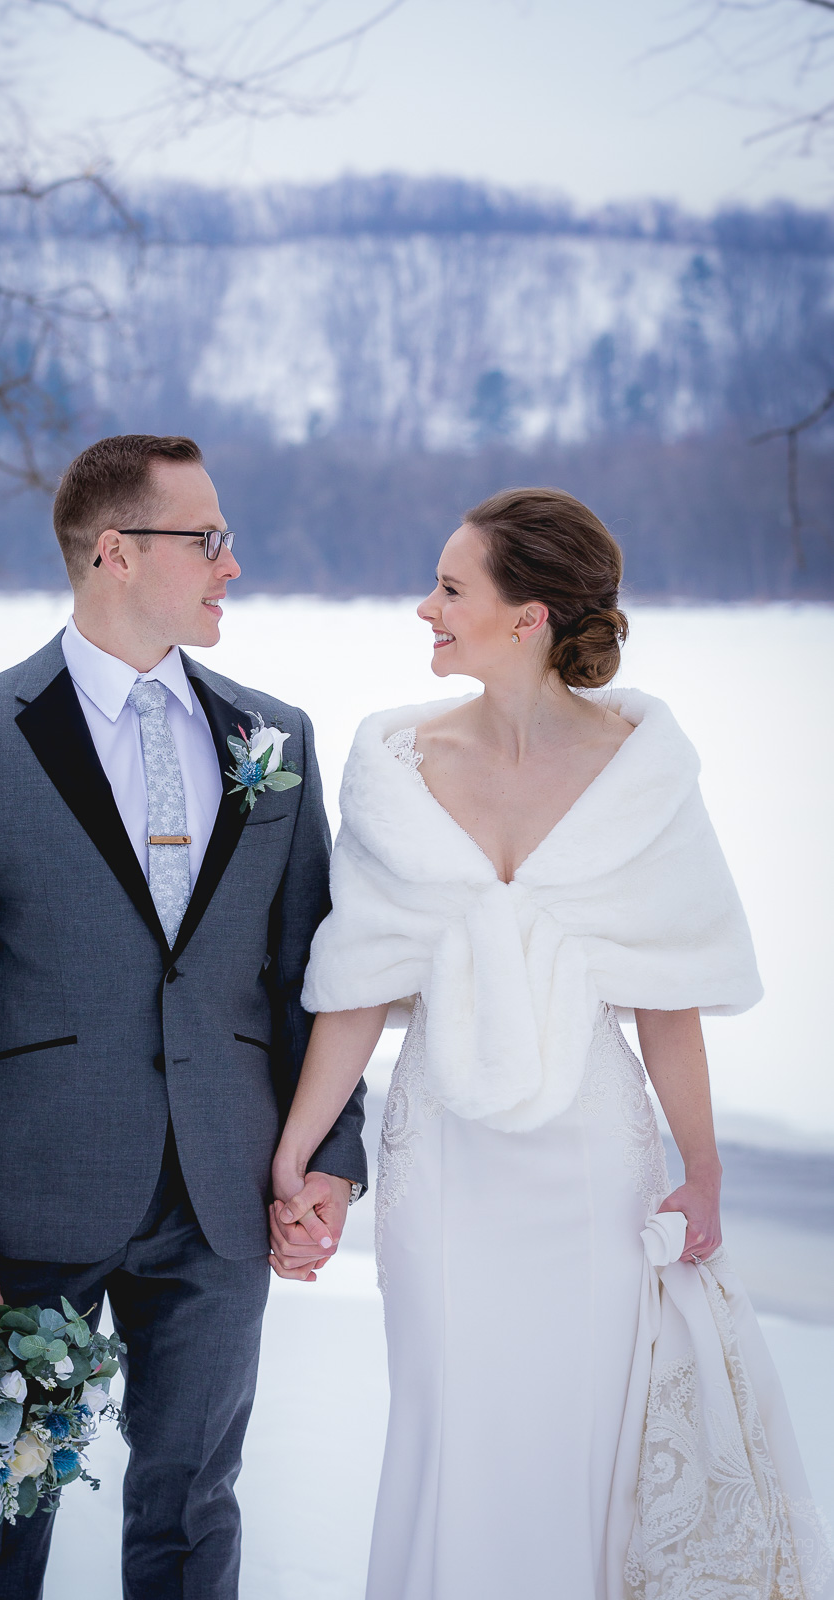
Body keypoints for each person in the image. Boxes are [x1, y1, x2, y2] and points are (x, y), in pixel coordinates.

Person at [269, 488, 833, 1599]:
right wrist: (296, 1156)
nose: (421, 606)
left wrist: (702, 1168)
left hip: (589, 1171)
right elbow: (354, 987)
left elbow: (666, 992)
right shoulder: (397, 761)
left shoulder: (640, 770)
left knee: (584, 1437)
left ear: (525, 617)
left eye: (448, 587)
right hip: (443, 1162)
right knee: (449, 1422)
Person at [0, 433, 367, 1600]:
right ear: (112, 552)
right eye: (206, 541)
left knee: (194, 1502)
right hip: (26, 1198)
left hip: (221, 1188)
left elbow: (315, 973)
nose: (228, 566)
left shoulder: (274, 741)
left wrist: (330, 1160)